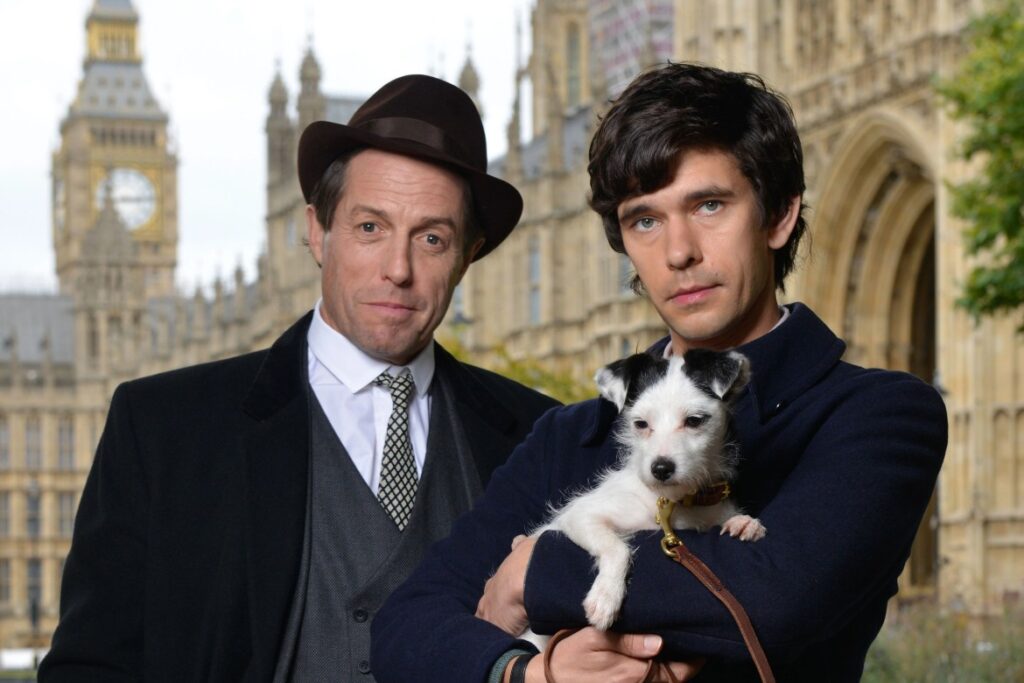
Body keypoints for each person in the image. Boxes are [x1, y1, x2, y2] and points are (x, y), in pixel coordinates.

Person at [371, 63, 947, 682]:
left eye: (709, 205)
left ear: (779, 216)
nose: (678, 253)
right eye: (645, 220)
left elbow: (778, 600)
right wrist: (530, 675)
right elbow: (405, 627)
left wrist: (534, 571)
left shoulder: (881, 414)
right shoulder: (568, 437)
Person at [40, 75, 559, 682]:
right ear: (316, 231)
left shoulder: (542, 434)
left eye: (431, 238)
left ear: (468, 255)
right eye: (370, 228)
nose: (398, 269)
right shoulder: (163, 429)